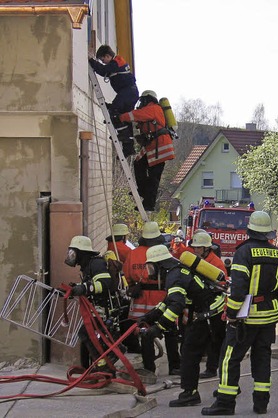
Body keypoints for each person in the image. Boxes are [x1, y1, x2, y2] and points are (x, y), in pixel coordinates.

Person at [203, 211, 278, 415]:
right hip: (268, 317)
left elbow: (239, 289)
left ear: (249, 230)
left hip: (245, 317)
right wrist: (276, 315)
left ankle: (225, 403)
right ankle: (261, 404)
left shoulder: (244, 252)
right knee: (262, 358)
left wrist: (232, 313)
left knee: (229, 358)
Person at [136, 245, 225, 408]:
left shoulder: (173, 275)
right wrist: (149, 317)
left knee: (190, 353)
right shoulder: (177, 271)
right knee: (219, 350)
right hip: (211, 312)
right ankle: (226, 390)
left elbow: (176, 305)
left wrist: (159, 327)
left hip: (207, 314)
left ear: (160, 264)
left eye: (151, 267)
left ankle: (189, 394)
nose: (150, 272)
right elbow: (169, 301)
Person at [123, 221, 180, 375]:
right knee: (170, 333)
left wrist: (134, 285)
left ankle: (149, 368)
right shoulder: (162, 253)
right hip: (161, 297)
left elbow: (127, 275)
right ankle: (175, 366)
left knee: (144, 332)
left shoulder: (133, 253)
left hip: (140, 298)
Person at [64, 236, 118, 371]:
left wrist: (84, 288)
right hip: (97, 308)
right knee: (87, 334)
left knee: (86, 333)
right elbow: (90, 284)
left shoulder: (96, 264)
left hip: (104, 309)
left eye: (73, 252)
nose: (72, 256)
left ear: (81, 252)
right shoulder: (87, 265)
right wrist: (74, 289)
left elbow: (105, 284)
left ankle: (104, 365)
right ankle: (100, 365)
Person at [119, 90, 175, 212]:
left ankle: (149, 203)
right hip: (154, 146)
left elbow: (136, 115)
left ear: (147, 99)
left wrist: (121, 117)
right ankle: (143, 191)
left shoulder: (153, 108)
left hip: (159, 147)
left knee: (154, 176)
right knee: (139, 164)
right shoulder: (152, 109)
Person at [187, 232, 228, 380]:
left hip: (214, 306)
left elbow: (223, 284)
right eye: (195, 248)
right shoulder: (196, 261)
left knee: (215, 338)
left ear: (206, 248)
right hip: (200, 304)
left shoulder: (215, 263)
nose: (195, 250)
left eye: (198, 248)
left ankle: (212, 367)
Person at [89, 44, 139, 157]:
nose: (103, 62)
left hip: (127, 92)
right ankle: (128, 147)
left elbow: (102, 71)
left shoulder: (115, 63)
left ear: (107, 56)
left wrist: (91, 61)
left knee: (113, 112)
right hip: (130, 93)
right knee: (125, 117)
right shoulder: (118, 62)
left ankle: (123, 135)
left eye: (103, 60)